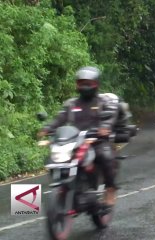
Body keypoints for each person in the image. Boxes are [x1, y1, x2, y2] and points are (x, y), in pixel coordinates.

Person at [37, 66, 120, 208]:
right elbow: (60, 118)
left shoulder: (102, 102)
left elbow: (110, 116)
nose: (85, 86)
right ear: (77, 85)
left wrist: (104, 127)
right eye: (82, 83)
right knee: (55, 159)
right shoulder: (71, 104)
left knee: (106, 156)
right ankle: (67, 187)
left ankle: (110, 188)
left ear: (96, 84)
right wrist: (48, 128)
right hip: (74, 142)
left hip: (96, 141)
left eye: (89, 83)